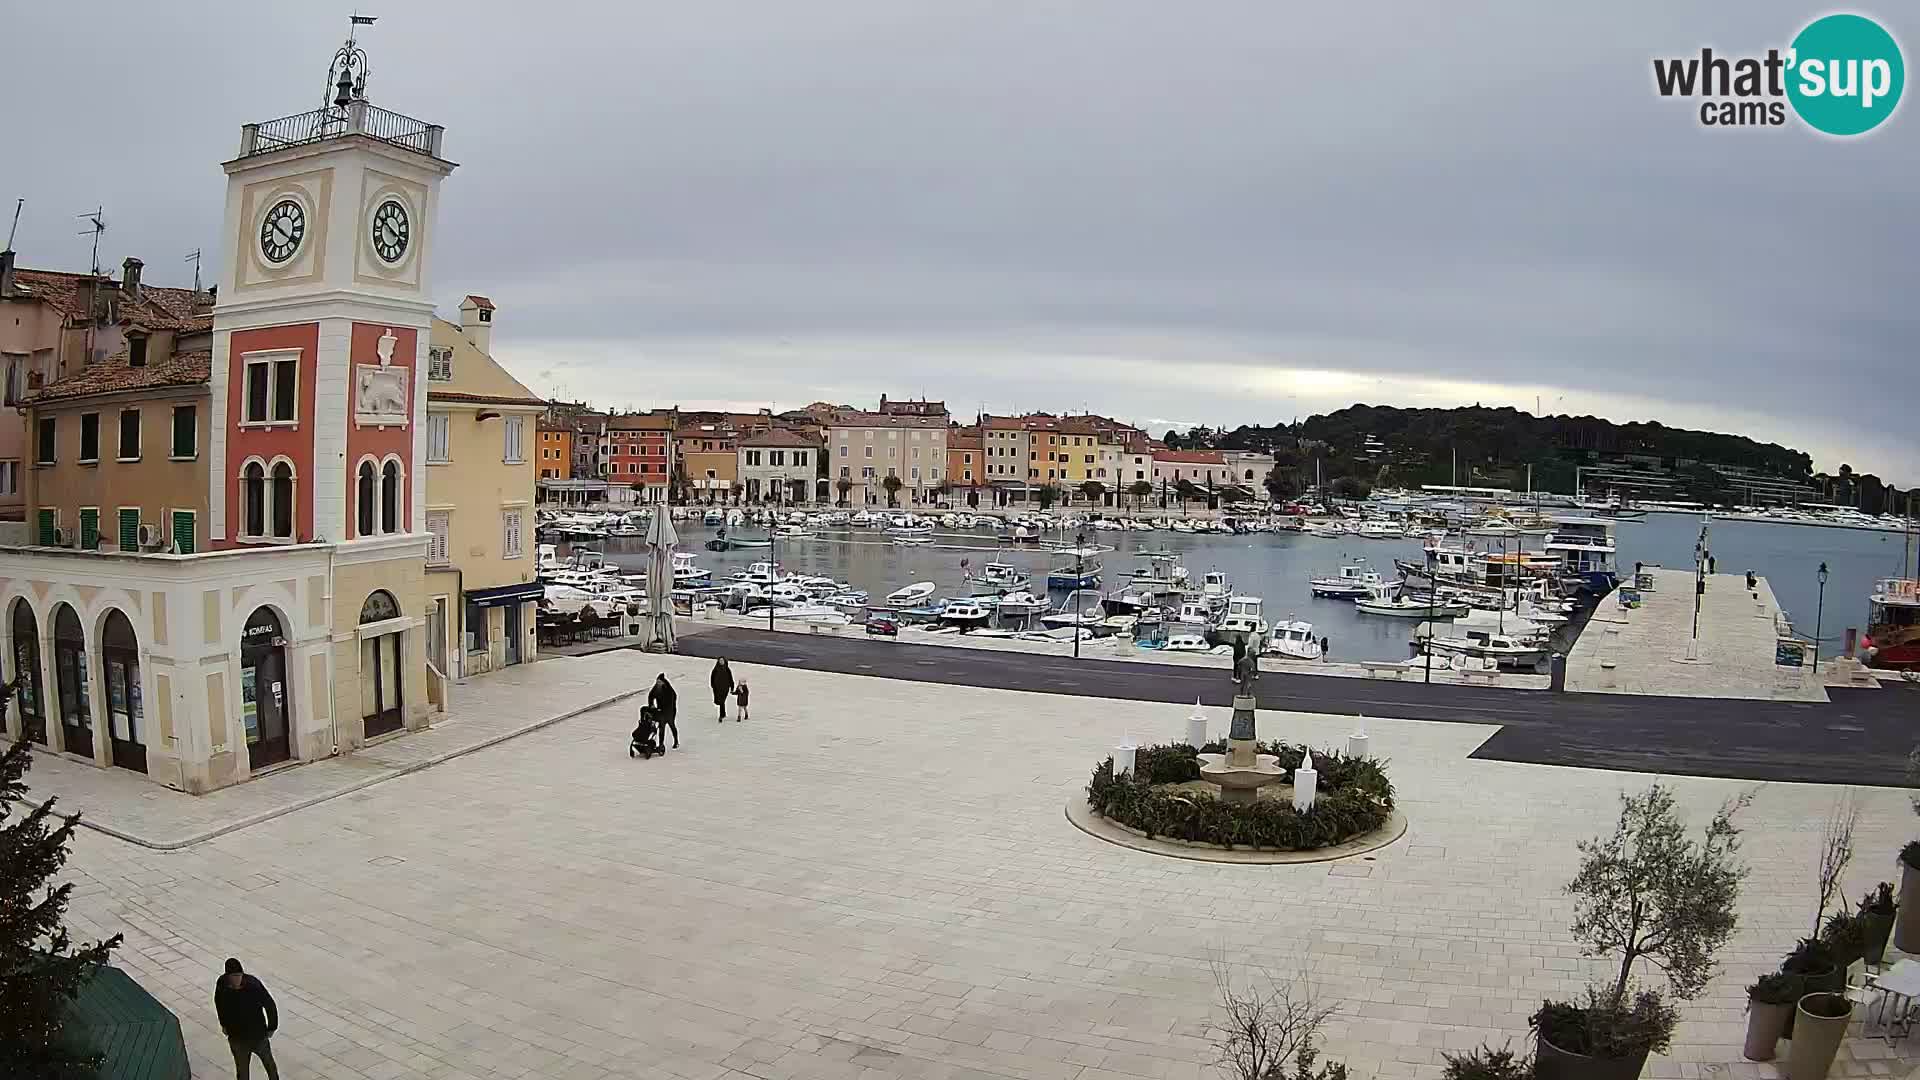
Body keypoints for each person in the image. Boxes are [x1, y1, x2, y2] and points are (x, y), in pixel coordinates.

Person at [214, 958, 280, 1080]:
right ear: (228, 976)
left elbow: (269, 1004)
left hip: (258, 1036)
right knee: (242, 1071)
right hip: (237, 1038)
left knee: (269, 1065)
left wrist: (272, 1027)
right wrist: (223, 1023)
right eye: (233, 976)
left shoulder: (253, 985)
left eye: (238, 975)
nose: (236, 979)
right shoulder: (222, 984)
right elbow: (219, 1003)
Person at [647, 673, 678, 750]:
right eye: (657, 682)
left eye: (659, 682)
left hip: (670, 711)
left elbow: (672, 699)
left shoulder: (669, 689)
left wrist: (665, 709)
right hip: (661, 711)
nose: (658, 683)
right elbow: (651, 696)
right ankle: (661, 744)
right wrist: (651, 705)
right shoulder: (656, 687)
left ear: (663, 682)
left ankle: (676, 741)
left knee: (672, 725)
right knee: (662, 727)